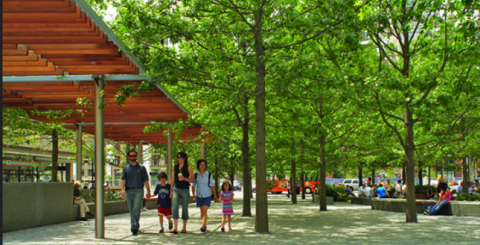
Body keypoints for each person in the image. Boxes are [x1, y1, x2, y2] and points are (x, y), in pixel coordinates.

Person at [121, 150, 151, 235]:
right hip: (128, 190)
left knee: (136, 208)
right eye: (131, 156)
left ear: (136, 156)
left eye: (134, 155)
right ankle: (135, 224)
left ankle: (134, 226)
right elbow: (123, 179)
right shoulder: (126, 168)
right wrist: (122, 189)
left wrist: (148, 190)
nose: (132, 157)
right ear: (128, 157)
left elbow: (145, 180)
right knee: (131, 209)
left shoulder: (141, 168)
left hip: (138, 190)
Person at [169, 152, 194, 234]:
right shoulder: (175, 167)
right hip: (176, 189)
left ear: (184, 158)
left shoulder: (188, 168)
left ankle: (184, 227)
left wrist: (184, 178)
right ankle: (175, 228)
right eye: (177, 157)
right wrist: (171, 191)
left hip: (185, 190)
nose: (178, 159)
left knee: (184, 207)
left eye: (180, 157)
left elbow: (193, 180)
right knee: (175, 207)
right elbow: (173, 179)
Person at [192, 159, 218, 233]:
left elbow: (212, 185)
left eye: (204, 164)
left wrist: (215, 195)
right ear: (198, 166)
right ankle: (204, 225)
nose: (202, 166)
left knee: (204, 210)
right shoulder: (196, 175)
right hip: (199, 195)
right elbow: (193, 185)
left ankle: (203, 225)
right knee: (202, 211)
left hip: (207, 195)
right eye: (201, 164)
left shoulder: (209, 175)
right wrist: (193, 195)